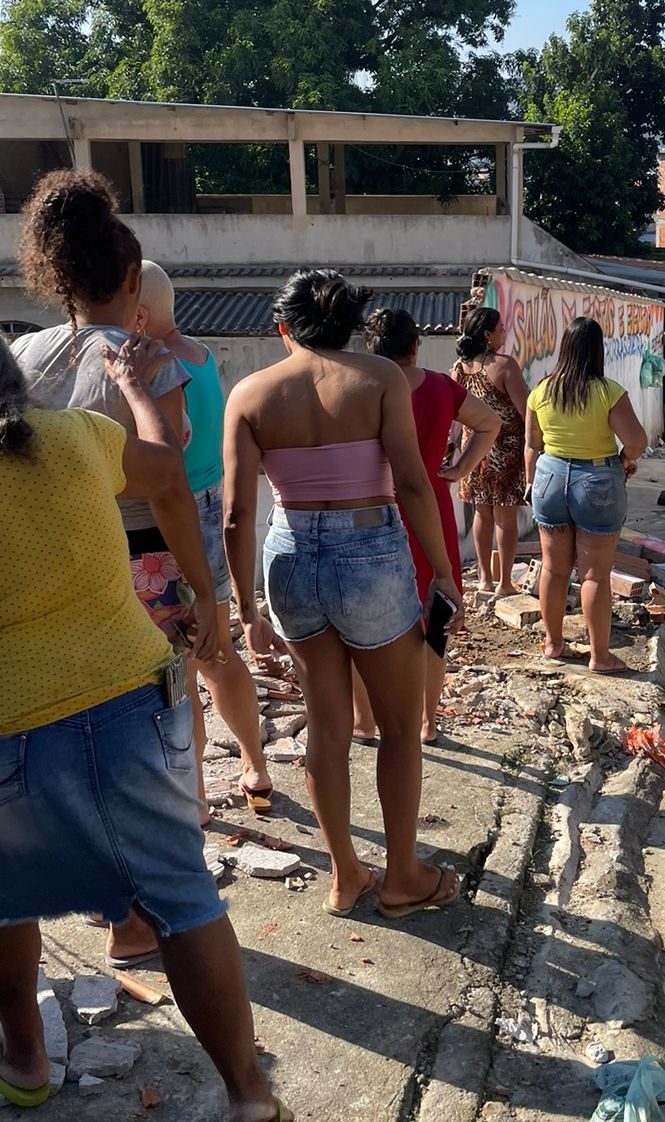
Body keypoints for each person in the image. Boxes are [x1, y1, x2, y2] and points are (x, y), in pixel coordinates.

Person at [0, 335, 291, 1122]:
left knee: (5, 901)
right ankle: (249, 1093)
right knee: (182, 894)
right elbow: (167, 464)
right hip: (129, 700)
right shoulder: (76, 438)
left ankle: (25, 1059)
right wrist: (131, 388)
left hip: (7, 725)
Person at [12, 169, 216, 968]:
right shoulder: (142, 359)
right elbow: (168, 485)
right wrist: (205, 590)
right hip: (143, 563)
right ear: (133, 281)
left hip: (58, 564)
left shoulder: (23, 357)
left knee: (76, 738)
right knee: (152, 741)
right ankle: (151, 912)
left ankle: (112, 912)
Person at [223, 268, 464, 921]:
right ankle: (404, 877)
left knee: (326, 728)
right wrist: (443, 570)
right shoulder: (380, 378)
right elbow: (413, 484)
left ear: (283, 329)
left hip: (290, 555)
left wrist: (247, 612)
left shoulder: (249, 393)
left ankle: (345, 875)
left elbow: (238, 515)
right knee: (397, 729)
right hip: (370, 553)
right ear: (354, 326)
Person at [135, 261, 275, 815]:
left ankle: (193, 798)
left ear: (139, 315)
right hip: (212, 510)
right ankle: (255, 766)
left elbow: (163, 457)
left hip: (175, 520)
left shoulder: (159, 368)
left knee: (184, 671)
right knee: (219, 653)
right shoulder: (201, 353)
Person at [357, 307, 500, 746]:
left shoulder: (361, 388)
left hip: (373, 505)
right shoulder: (440, 386)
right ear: (415, 345)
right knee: (434, 616)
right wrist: (458, 469)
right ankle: (427, 721)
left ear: (370, 348)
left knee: (361, 622)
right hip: (432, 507)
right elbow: (490, 422)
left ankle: (364, 722)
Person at [525, 316, 648, 673]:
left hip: (549, 477)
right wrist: (625, 461)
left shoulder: (541, 391)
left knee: (553, 568)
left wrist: (530, 483)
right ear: (598, 350)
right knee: (594, 575)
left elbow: (532, 446)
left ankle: (553, 643)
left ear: (564, 348)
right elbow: (637, 441)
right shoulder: (608, 392)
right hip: (596, 479)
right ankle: (600, 656)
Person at [452, 307, 528, 597]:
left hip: (473, 449)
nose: (504, 332)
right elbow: (526, 412)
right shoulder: (505, 366)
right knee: (504, 517)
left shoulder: (460, 367)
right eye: (500, 328)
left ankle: (485, 579)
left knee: (481, 515)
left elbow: (455, 412)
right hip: (505, 449)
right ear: (487, 334)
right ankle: (505, 582)